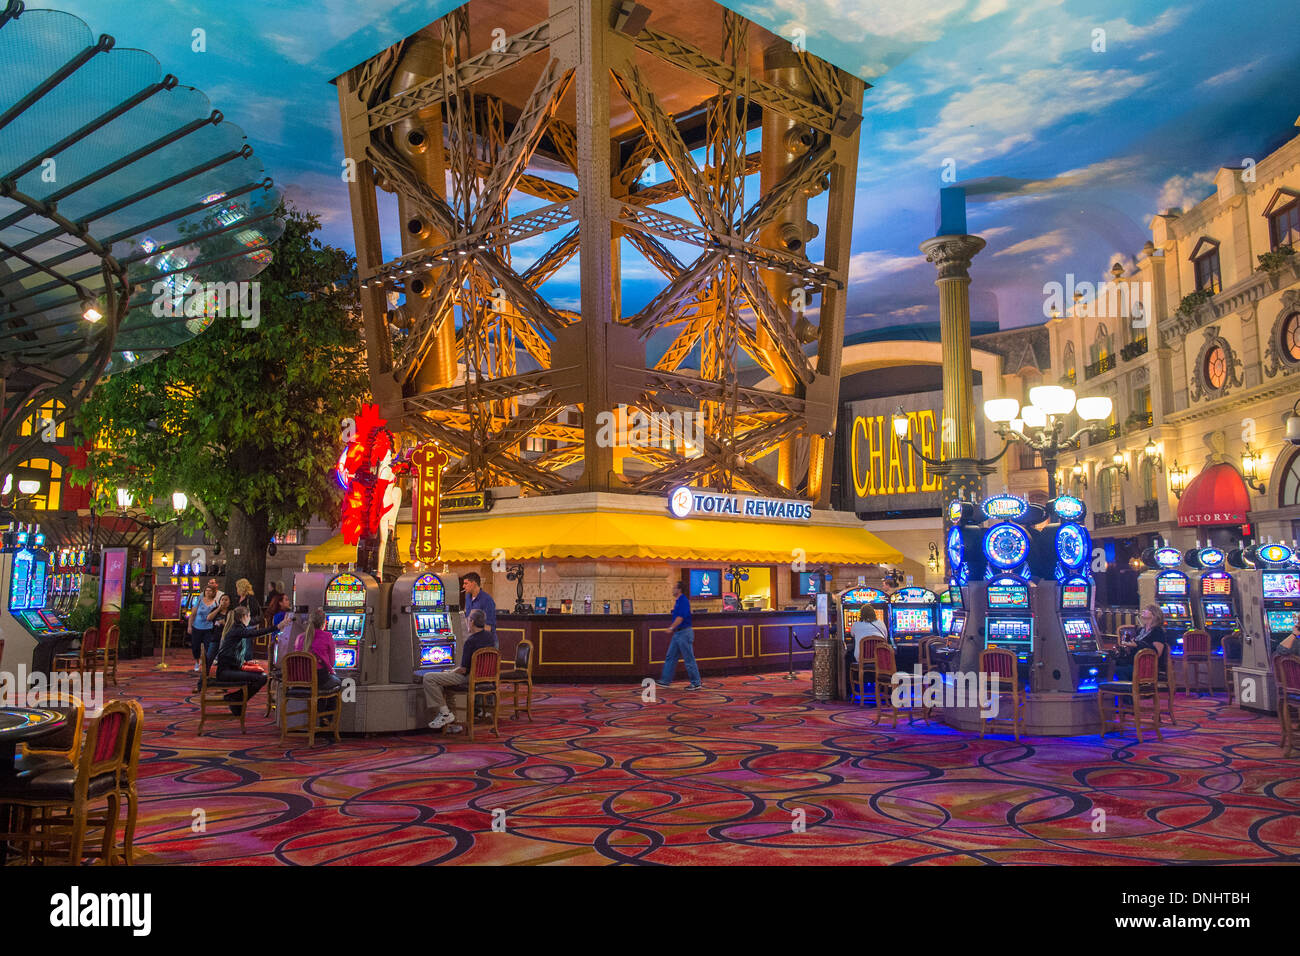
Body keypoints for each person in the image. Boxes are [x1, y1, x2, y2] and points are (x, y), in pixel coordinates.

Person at [425, 608, 496, 730]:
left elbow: (464, 669)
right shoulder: (490, 637)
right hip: (484, 677)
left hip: (469, 677)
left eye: (468, 620)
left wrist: (451, 671)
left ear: (472, 622)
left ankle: (445, 713)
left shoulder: (471, 641)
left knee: (429, 678)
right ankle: (453, 724)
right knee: (445, 685)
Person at [212, 607, 277, 713]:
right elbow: (254, 633)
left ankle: (236, 701)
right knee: (261, 678)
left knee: (261, 676)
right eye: (249, 616)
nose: (250, 618)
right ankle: (234, 698)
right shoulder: (237, 630)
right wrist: (277, 627)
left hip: (232, 668)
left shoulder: (237, 628)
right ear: (244, 617)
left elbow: (234, 655)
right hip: (226, 672)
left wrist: (245, 663)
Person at [656, 580, 702, 690]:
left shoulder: (683, 601)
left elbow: (680, 617)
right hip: (678, 633)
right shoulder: (678, 601)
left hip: (684, 633)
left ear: (679, 589)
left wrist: (671, 627)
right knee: (670, 656)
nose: (672, 589)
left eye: (674, 588)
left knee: (688, 658)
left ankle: (696, 682)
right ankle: (665, 680)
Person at [293, 608, 341, 700]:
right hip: (318, 678)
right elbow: (331, 663)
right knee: (337, 681)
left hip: (300, 677)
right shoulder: (327, 636)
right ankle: (327, 714)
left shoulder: (300, 637)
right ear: (325, 623)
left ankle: (316, 712)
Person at [1114, 604, 1168, 681]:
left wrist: (1137, 645)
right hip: (1135, 662)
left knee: (1117, 670)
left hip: (1147, 666)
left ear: (1154, 615)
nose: (1143, 611)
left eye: (1147, 610)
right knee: (1112, 665)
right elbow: (1135, 648)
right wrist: (1128, 647)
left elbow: (1157, 653)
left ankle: (1129, 690)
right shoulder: (1141, 630)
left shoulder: (1158, 631)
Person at [845, 606, 889, 689]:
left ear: (860, 615)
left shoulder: (856, 624)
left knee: (847, 656)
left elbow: (851, 634)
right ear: (874, 613)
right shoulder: (881, 623)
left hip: (861, 659)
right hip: (880, 658)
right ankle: (883, 687)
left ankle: (851, 689)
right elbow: (885, 638)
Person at [189, 585, 221, 673]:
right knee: (195, 646)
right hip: (197, 627)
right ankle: (196, 661)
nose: (208, 592)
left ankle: (205, 664)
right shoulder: (199, 601)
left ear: (213, 592)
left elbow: (216, 616)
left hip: (209, 628)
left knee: (208, 647)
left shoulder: (215, 603)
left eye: (210, 591)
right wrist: (189, 626)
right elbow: (193, 614)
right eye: (206, 590)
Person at [461, 572, 497, 646]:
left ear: (474, 583)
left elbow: (489, 627)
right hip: (473, 641)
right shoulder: (468, 597)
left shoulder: (487, 600)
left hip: (486, 642)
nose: (463, 586)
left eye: (466, 583)